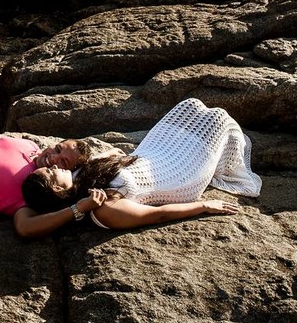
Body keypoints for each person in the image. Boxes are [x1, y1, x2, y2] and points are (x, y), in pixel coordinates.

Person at [17, 98, 262, 234]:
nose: (55, 168)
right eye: (51, 173)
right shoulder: (103, 208)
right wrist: (204, 206)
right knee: (218, 117)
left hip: (150, 155)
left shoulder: (78, 174)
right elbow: (158, 214)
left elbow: (105, 154)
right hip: (179, 176)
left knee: (193, 105)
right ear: (57, 190)